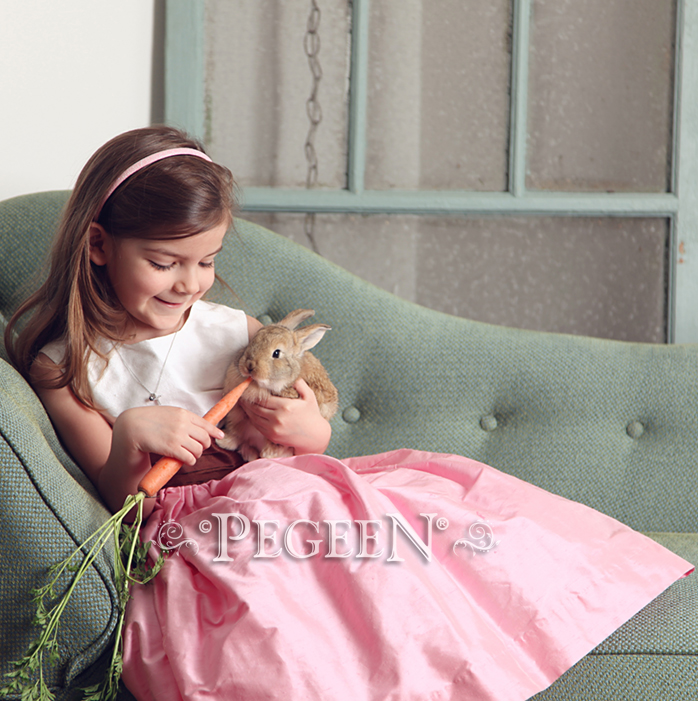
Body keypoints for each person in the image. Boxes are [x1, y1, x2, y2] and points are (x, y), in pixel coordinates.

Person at [5, 126, 692, 701]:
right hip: (198, 528)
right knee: (275, 591)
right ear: (99, 246)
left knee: (413, 517)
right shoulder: (66, 367)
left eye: (206, 261)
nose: (189, 283)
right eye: (164, 262)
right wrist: (132, 434)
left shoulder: (229, 329)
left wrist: (305, 429)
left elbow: (305, 431)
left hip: (284, 491)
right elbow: (119, 501)